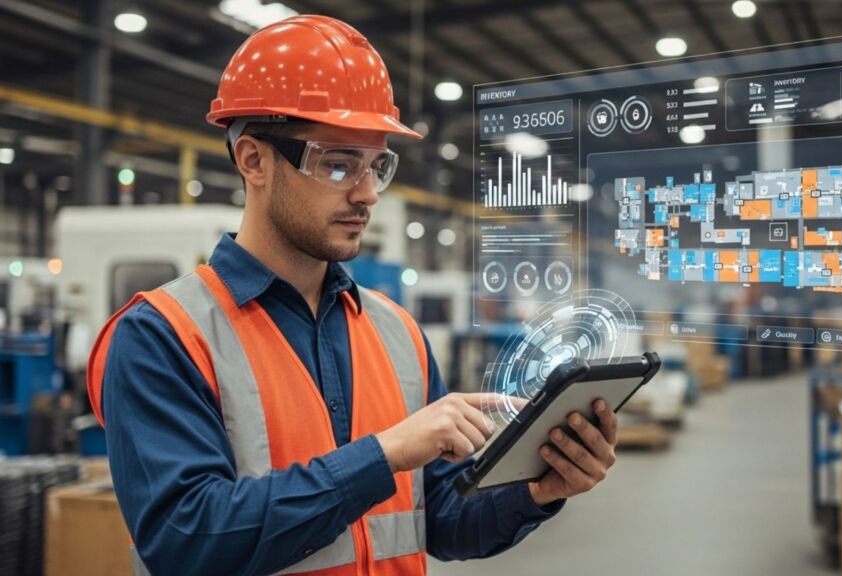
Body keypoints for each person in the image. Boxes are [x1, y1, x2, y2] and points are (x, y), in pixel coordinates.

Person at [87, 15, 620, 576]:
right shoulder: (162, 334)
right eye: (337, 164)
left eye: (377, 166)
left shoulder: (396, 332)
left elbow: (436, 520)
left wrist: (537, 491)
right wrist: (383, 454)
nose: (366, 194)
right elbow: (187, 540)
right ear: (253, 160)